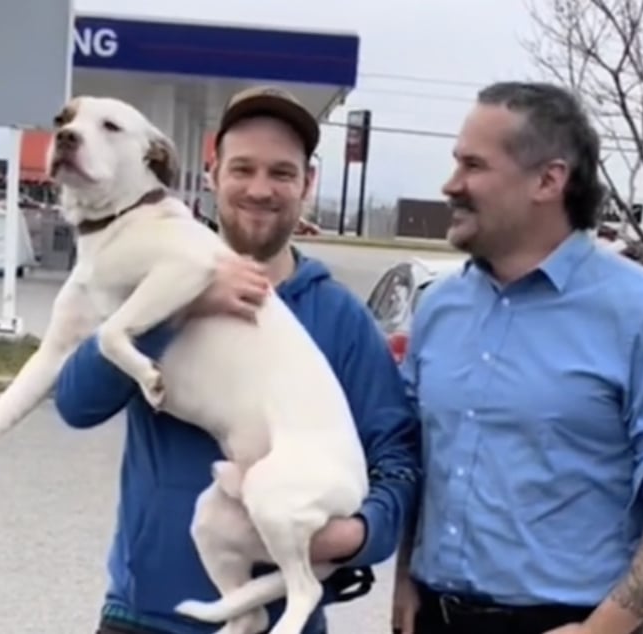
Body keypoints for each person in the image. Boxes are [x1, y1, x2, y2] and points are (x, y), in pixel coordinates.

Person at [54, 85, 422, 634]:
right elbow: (77, 403)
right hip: (141, 617)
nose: (260, 190)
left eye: (282, 173)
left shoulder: (338, 317)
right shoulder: (150, 277)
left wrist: (359, 534)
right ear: (212, 173)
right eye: (242, 169)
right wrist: (180, 306)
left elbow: (398, 459)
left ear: (307, 184)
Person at [391, 81, 643, 634]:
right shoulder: (441, 309)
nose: (450, 184)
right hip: (433, 615)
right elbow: (419, 459)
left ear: (549, 180)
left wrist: (601, 630)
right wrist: (405, 577)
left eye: (474, 165)